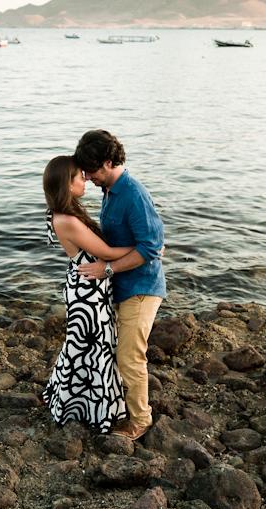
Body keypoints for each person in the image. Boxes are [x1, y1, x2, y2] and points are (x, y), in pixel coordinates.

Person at [74, 130, 166, 441]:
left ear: (110, 162)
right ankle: (119, 407)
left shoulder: (132, 193)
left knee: (129, 356)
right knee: (115, 352)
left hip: (142, 287)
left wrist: (108, 268)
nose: (87, 177)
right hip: (122, 285)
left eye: (92, 170)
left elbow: (152, 246)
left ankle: (140, 420)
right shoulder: (111, 190)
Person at [42, 155, 134, 434]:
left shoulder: (65, 214)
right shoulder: (67, 220)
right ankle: (90, 408)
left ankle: (76, 401)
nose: (85, 180)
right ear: (67, 185)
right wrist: (145, 249)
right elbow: (105, 253)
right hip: (87, 291)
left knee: (88, 347)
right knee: (93, 348)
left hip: (88, 285)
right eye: (80, 177)